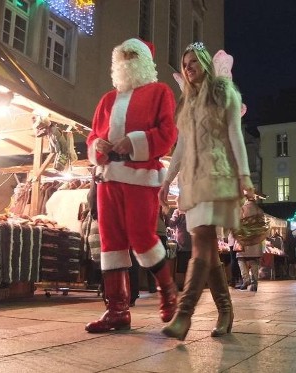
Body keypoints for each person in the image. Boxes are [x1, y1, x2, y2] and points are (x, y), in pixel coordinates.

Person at [158, 42, 254, 340]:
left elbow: (235, 135)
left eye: (193, 62)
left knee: (201, 242)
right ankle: (225, 311)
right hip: (193, 181)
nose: (188, 68)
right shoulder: (186, 103)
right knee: (209, 252)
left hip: (219, 175)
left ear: (204, 62)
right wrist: (166, 180)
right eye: (184, 64)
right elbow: (182, 146)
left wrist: (245, 176)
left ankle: (183, 315)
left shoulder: (223, 91)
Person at [84, 38, 178, 333]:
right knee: (111, 244)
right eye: (121, 57)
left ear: (145, 61)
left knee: (141, 236)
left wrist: (134, 142)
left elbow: (167, 133)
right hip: (107, 178)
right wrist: (97, 145)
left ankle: (168, 290)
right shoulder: (107, 100)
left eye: (132, 55)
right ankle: (117, 310)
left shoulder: (160, 92)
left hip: (140, 178)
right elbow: (92, 137)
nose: (126, 61)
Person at [235, 198, 264, 291]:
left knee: (241, 259)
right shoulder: (260, 210)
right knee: (254, 261)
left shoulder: (242, 208)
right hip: (255, 241)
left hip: (244, 239)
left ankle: (246, 279)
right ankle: (254, 283)